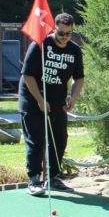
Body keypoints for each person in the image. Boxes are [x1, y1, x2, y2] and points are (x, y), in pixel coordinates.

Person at [19, 12, 84, 196]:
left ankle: (53, 177)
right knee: (37, 139)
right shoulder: (40, 45)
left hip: (56, 101)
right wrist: (40, 101)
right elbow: (27, 75)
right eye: (61, 33)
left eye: (69, 33)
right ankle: (34, 180)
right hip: (32, 99)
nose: (64, 37)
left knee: (59, 138)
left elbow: (79, 78)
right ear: (54, 28)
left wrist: (73, 98)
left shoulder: (74, 50)